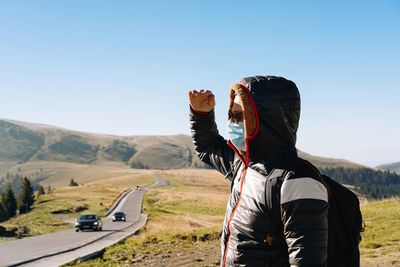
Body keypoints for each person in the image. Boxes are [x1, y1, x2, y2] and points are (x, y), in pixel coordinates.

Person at [189, 76, 328, 267]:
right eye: (231, 115)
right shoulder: (243, 165)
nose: (232, 122)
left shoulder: (297, 179)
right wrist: (201, 114)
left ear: (265, 121)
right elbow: (207, 147)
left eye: (240, 116)